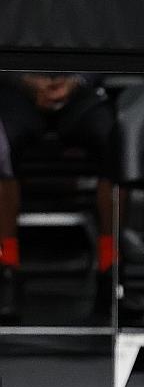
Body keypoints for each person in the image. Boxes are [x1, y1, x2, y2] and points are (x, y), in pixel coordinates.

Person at [0, 72, 118, 321]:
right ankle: (6, 268)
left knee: (115, 140)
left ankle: (112, 268)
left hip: (79, 96)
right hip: (16, 94)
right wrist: (27, 81)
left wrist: (75, 80)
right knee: (1, 145)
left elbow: (108, 38)